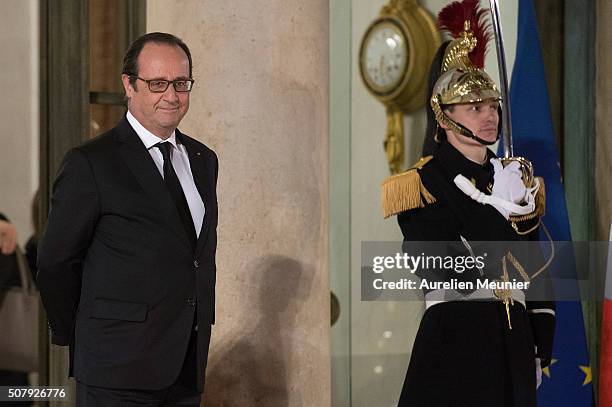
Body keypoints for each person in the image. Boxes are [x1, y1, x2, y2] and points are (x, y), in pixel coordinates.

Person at [381, 1, 555, 406]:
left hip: (514, 344)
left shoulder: (515, 180)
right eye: (474, 108)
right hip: (455, 342)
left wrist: (538, 341)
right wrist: (505, 209)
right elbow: (446, 268)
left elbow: (542, 268)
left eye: (492, 106)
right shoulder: (421, 184)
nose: (489, 116)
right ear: (443, 117)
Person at [38, 32, 218, 406]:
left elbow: (195, 257)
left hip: (187, 365)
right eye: (157, 83)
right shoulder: (91, 163)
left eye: (181, 83)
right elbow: (56, 262)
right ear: (129, 85)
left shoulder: (203, 160)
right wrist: (88, 334)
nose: (171, 95)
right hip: (115, 368)